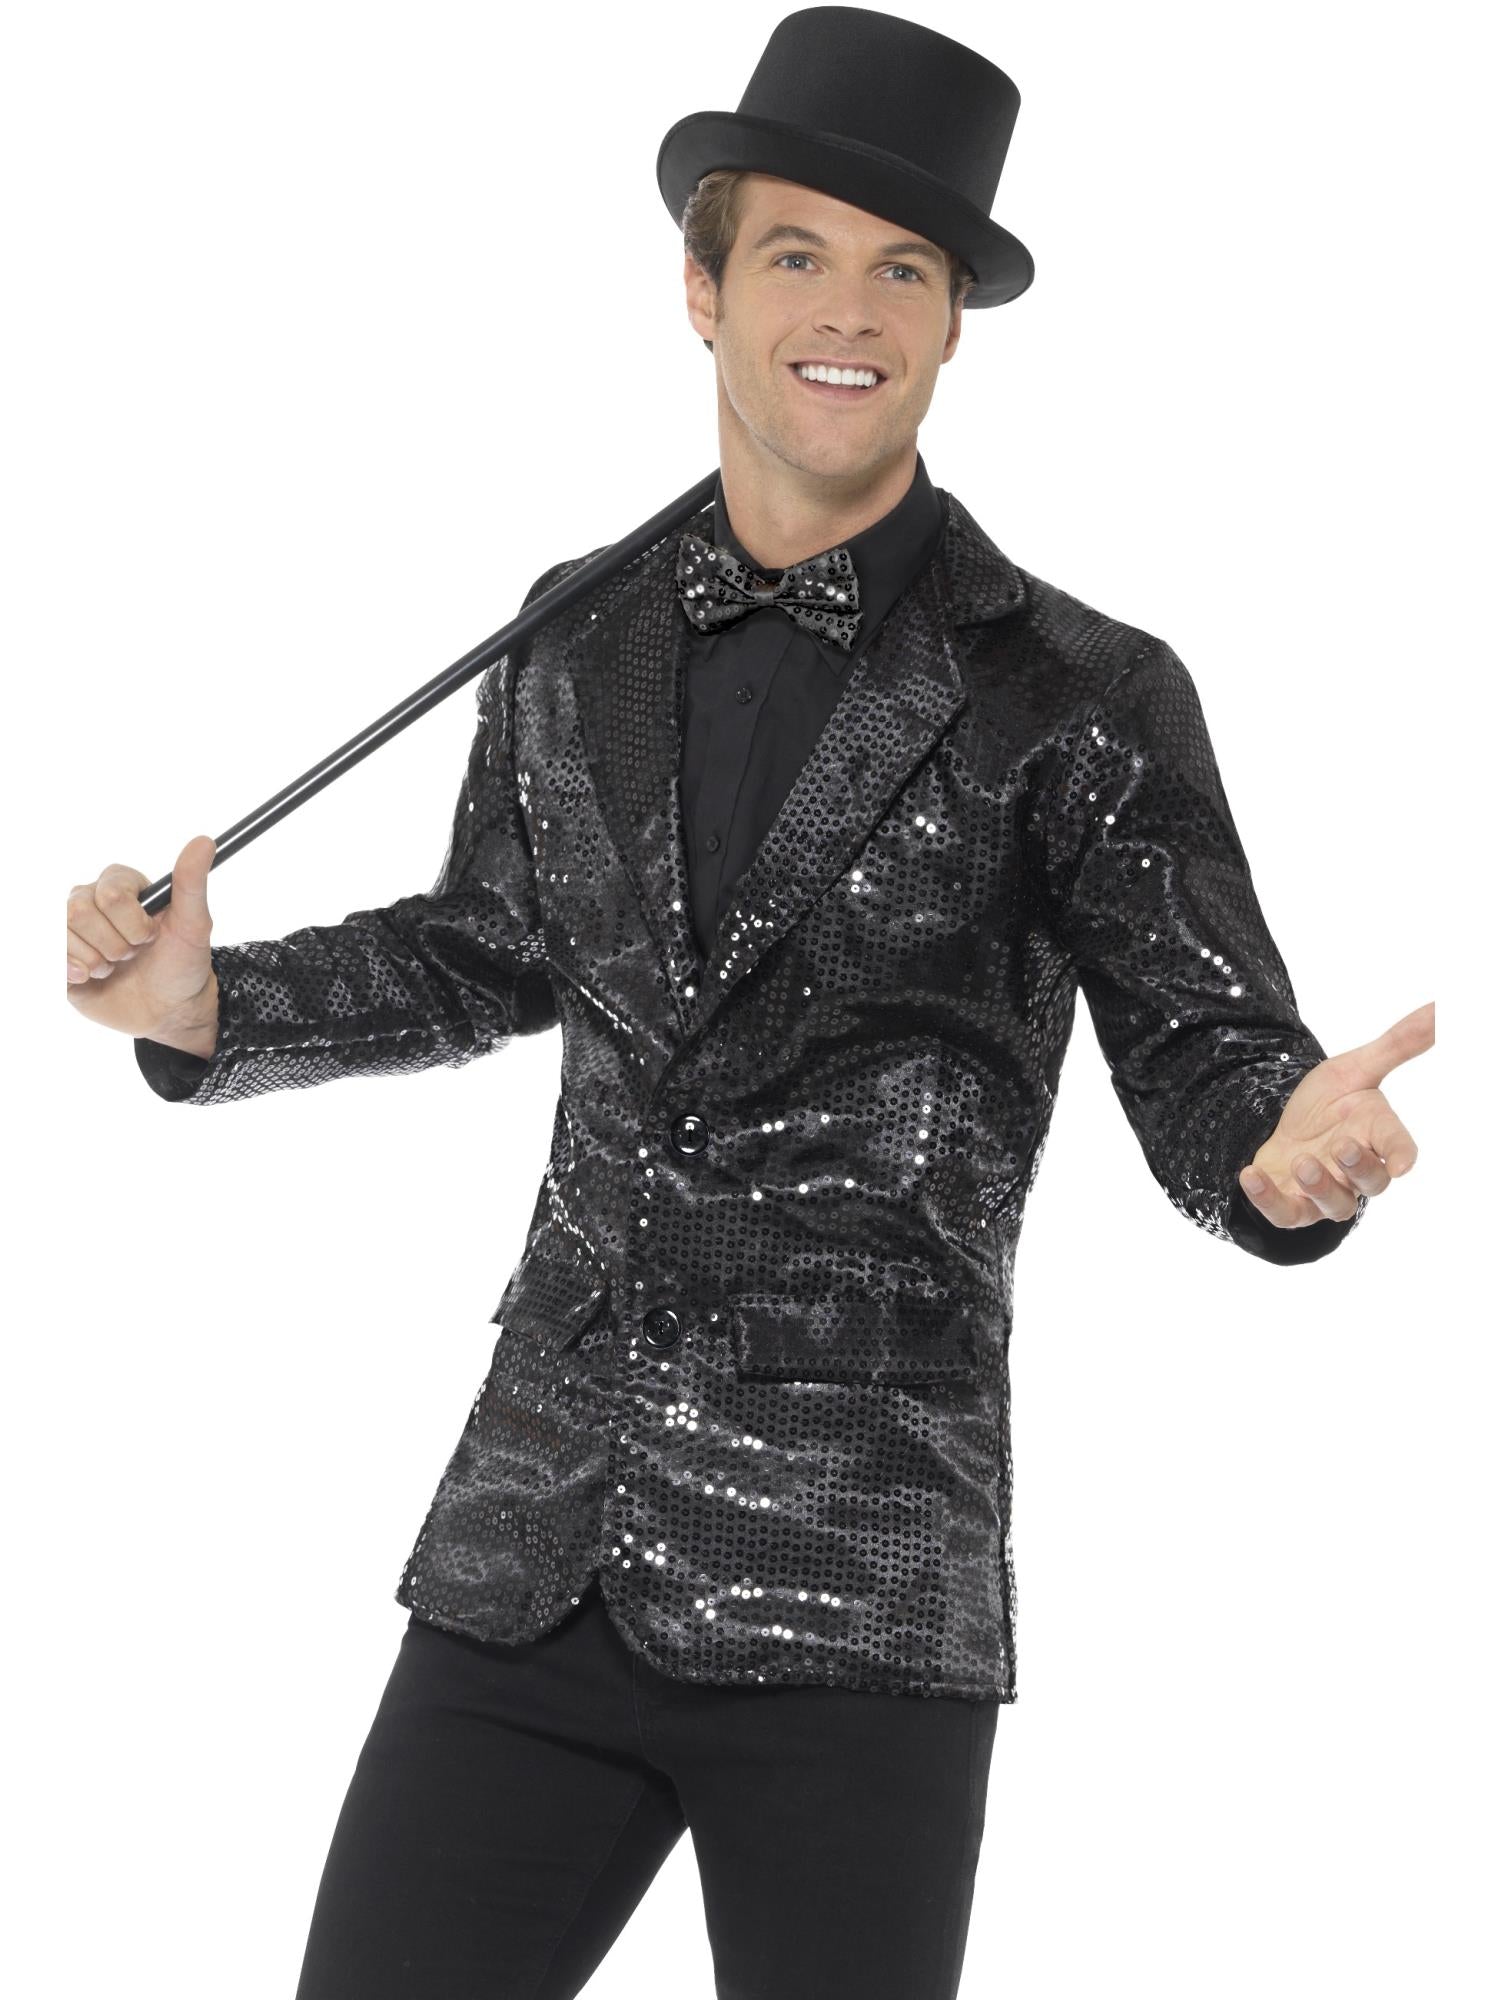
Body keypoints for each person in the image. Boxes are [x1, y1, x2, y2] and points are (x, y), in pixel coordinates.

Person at [64, 10, 1432, 1997]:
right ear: (703, 290)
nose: (848, 311)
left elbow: (1209, 1052)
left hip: (859, 1579)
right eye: (797, 254)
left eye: (904, 270)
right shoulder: (576, 632)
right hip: (536, 1546)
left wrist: (1283, 1156)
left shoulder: (1080, 693)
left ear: (950, 326)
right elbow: (487, 948)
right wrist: (214, 1005)